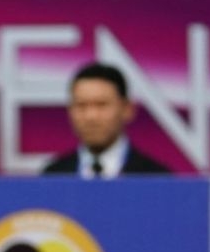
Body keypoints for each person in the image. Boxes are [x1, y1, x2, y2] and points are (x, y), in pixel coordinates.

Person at [41, 63, 171, 178]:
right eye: (81, 105)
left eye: (101, 105)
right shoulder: (53, 176)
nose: (91, 116)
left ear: (127, 109)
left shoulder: (155, 177)